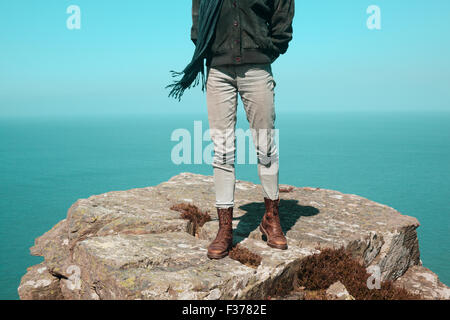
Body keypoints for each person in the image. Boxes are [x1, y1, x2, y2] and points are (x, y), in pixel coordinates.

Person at [168, 0, 295, 259]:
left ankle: (271, 219)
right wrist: (212, 48)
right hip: (218, 71)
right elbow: (198, 21)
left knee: (266, 146)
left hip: (257, 67)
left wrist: (268, 48)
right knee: (222, 150)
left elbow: (283, 15)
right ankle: (226, 229)